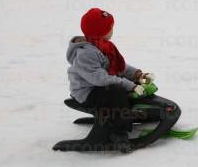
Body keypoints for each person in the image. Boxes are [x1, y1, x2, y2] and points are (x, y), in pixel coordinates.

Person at [65, 8, 157, 152]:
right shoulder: (86, 54)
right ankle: (118, 133)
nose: (112, 30)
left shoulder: (103, 46)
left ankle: (133, 113)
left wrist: (138, 75)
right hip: (87, 92)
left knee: (122, 87)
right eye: (110, 28)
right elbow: (100, 79)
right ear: (100, 32)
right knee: (116, 92)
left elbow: (120, 67)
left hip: (100, 86)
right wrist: (130, 85)